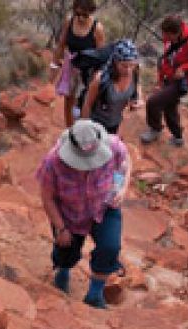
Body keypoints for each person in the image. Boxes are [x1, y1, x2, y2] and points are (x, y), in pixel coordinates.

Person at [36, 119, 131, 309]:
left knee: (110, 247)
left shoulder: (113, 145)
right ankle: (63, 270)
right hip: (69, 215)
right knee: (66, 250)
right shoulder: (52, 162)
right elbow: (47, 198)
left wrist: (121, 187)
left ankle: (94, 295)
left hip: (104, 207)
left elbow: (125, 163)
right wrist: (60, 227)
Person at [140, 15, 188, 147]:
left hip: (183, 82)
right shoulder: (168, 37)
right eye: (164, 34)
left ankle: (156, 129)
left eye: (168, 35)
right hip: (169, 77)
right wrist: (159, 81)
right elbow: (165, 60)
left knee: (153, 102)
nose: (165, 37)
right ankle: (177, 137)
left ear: (177, 32)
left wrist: (184, 68)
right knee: (170, 106)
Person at [49, 0, 106, 127]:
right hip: (72, 67)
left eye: (84, 15)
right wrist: (54, 65)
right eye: (77, 13)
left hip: (88, 70)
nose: (80, 18)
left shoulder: (97, 28)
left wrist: (98, 77)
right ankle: (69, 130)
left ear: (91, 12)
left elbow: (101, 55)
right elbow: (61, 44)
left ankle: (82, 131)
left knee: (84, 102)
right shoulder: (69, 22)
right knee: (68, 100)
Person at [81, 38, 140, 136]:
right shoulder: (101, 79)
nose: (129, 70)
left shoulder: (135, 73)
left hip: (115, 125)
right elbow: (87, 104)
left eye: (132, 65)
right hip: (95, 125)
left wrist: (136, 101)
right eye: (124, 66)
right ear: (115, 62)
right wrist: (84, 130)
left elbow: (137, 88)